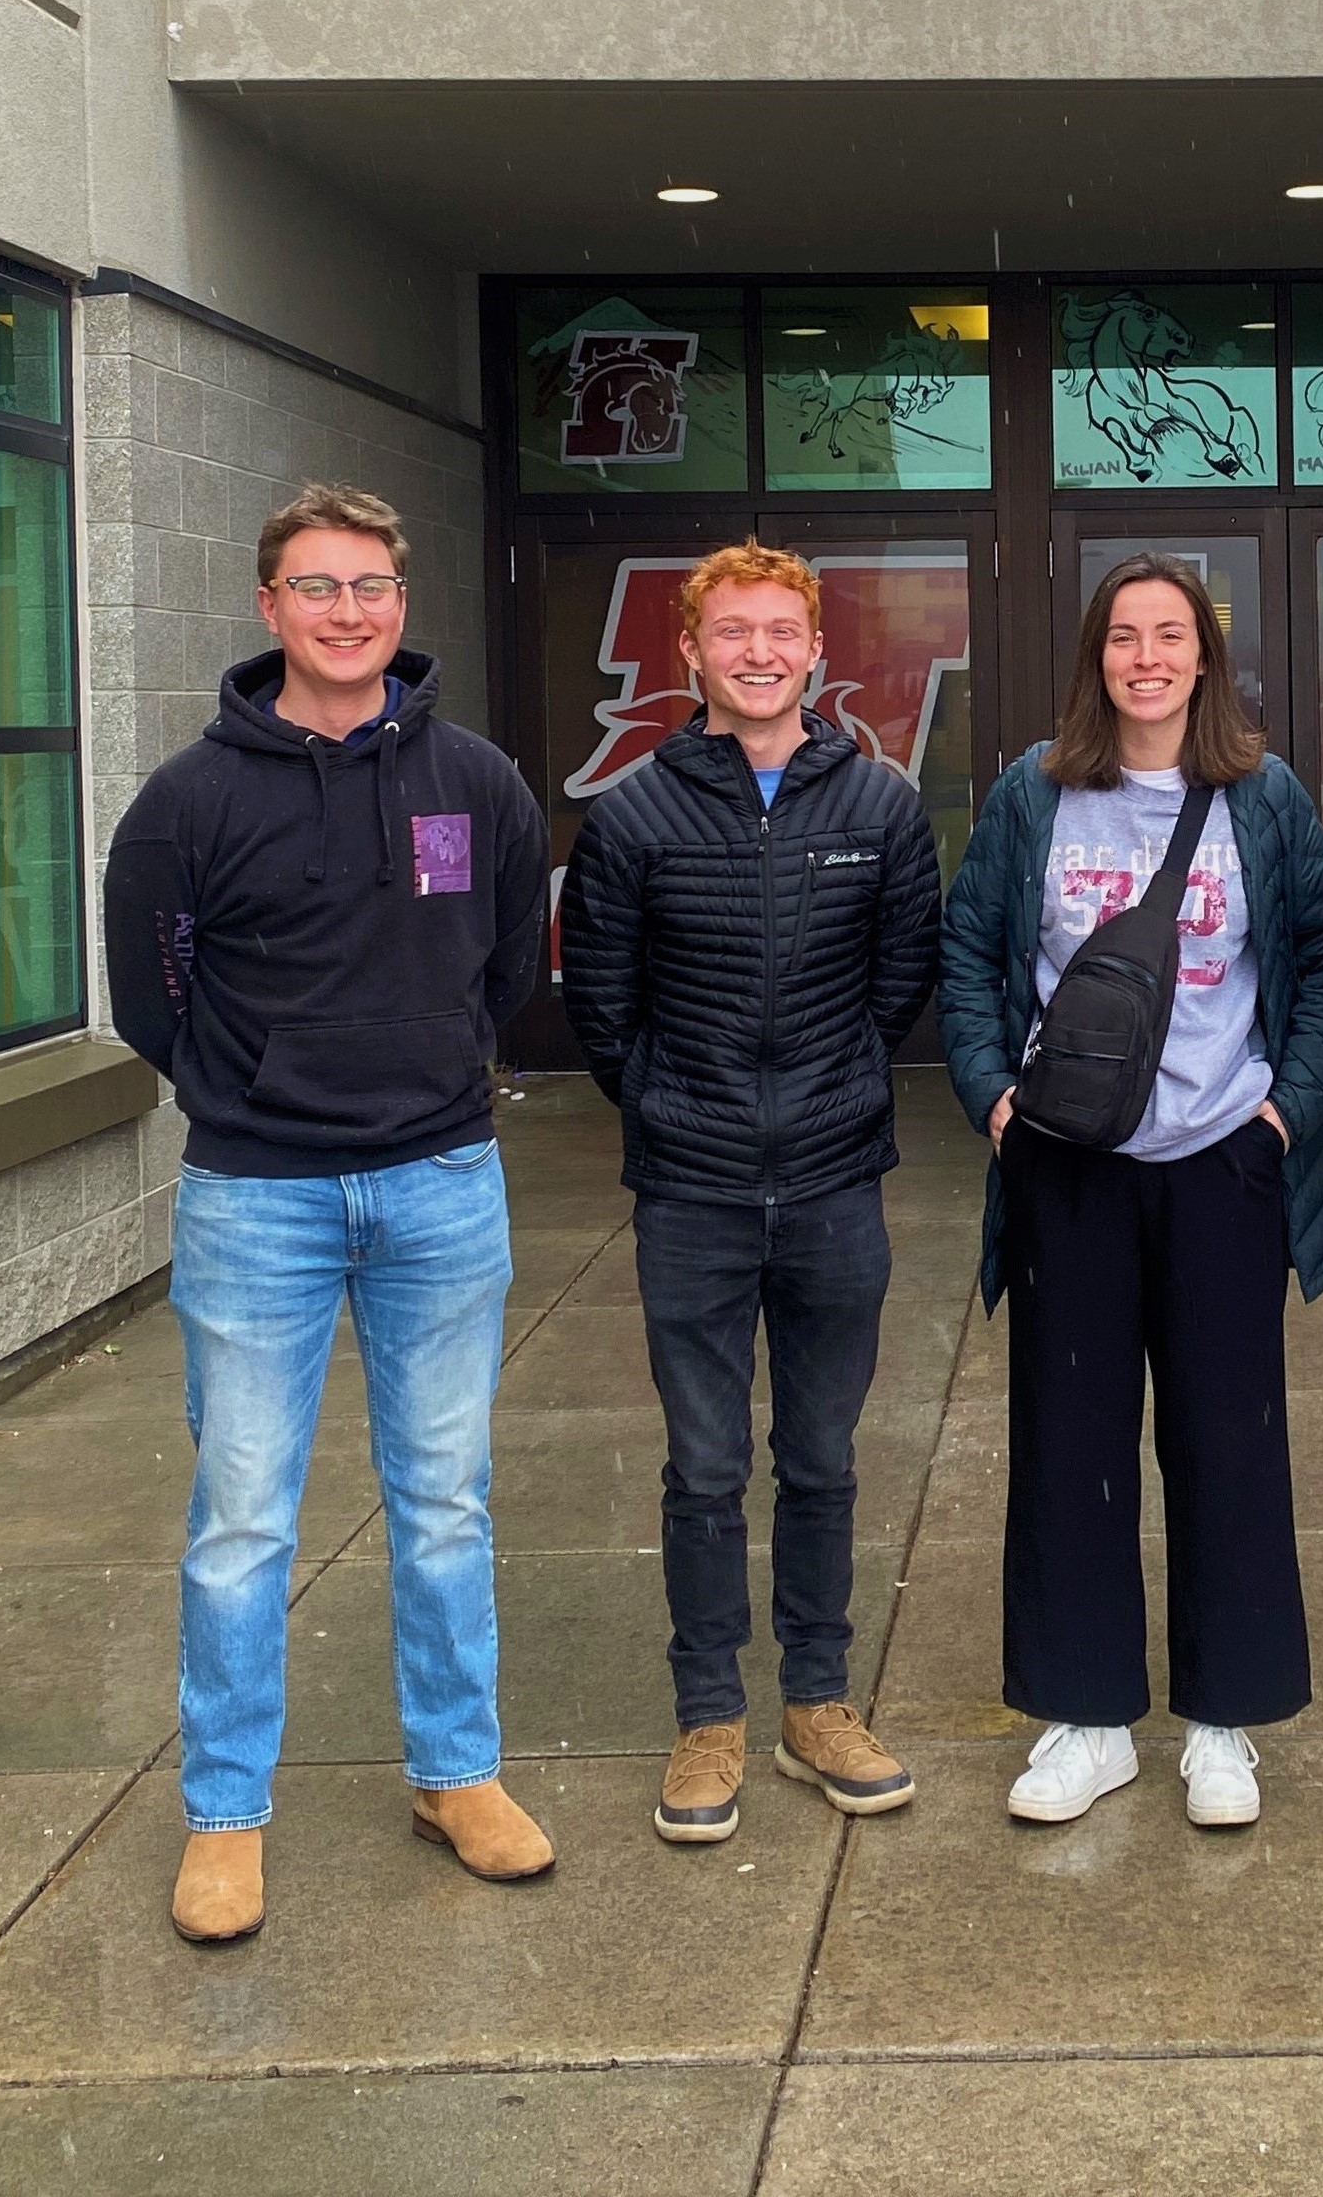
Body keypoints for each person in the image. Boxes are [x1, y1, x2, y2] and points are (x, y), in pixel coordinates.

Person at [103, 484, 553, 1947]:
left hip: (438, 1181)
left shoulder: (477, 781)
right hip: (258, 1199)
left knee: (445, 1503)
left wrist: (430, 1069)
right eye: (317, 585)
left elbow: (506, 969)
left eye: (370, 585)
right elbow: (150, 1000)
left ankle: (456, 1775)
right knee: (241, 1519)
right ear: (268, 605)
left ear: (401, 606)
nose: (347, 610)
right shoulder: (186, 801)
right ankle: (225, 1814)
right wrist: (260, 1092)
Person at [938, 553, 1323, 1831]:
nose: (1146, 658)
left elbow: (1320, 958)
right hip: (1067, 1164)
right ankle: (1085, 1722)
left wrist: (1283, 1109)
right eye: (1124, 636)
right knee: (1067, 1447)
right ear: (1097, 657)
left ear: (1204, 657)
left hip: (1218, 1162)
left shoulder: (1263, 794)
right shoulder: (1035, 791)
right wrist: (992, 1100)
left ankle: (1223, 1724)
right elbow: (970, 951)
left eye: (1169, 635)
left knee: (1225, 1444)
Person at [561, 541, 941, 1845]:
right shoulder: (632, 817)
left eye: (783, 629)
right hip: (694, 1189)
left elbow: (902, 983)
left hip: (836, 1181)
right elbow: (600, 1012)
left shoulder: (880, 808)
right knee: (706, 1463)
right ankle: (710, 1709)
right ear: (694, 652)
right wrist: (677, 1102)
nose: (761, 650)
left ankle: (818, 1698)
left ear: (817, 651)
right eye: (735, 631)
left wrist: (830, 1090)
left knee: (825, 1456)